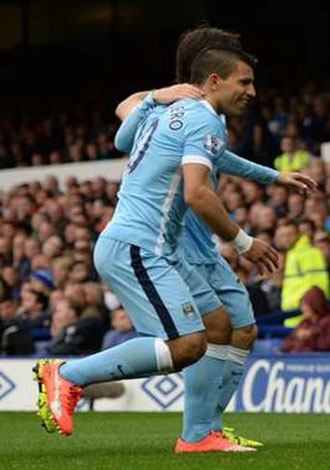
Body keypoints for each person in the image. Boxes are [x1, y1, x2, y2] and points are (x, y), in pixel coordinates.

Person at [33, 43, 282, 452]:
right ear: (214, 80)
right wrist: (244, 242)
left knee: (220, 325)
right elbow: (197, 194)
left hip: (152, 246)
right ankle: (68, 375)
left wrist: (272, 177)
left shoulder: (166, 112)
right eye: (245, 82)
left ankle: (200, 435)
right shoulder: (204, 119)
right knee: (187, 345)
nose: (251, 92)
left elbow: (122, 135)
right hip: (138, 246)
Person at [113, 27, 317, 452]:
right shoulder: (180, 103)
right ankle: (198, 431)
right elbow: (124, 112)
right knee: (203, 335)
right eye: (236, 65)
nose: (250, 87)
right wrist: (157, 94)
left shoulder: (208, 113)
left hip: (199, 239)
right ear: (209, 72)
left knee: (242, 328)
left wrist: (273, 176)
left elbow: (219, 158)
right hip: (176, 237)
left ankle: (207, 430)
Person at [275, 221, 330, 325]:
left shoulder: (309, 253)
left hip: (306, 317)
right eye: (282, 235)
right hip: (292, 316)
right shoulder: (292, 254)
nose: (286, 239)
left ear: (298, 234)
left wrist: (309, 310)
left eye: (289, 235)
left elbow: (318, 285)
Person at [281, 286, 330, 353]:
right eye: (302, 305)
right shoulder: (305, 323)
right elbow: (289, 342)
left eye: (306, 305)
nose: (303, 309)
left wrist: (310, 336)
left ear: (315, 305)